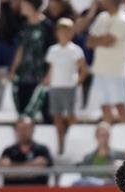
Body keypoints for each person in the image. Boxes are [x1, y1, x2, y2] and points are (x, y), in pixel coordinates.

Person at [85, 0, 125, 123]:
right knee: (105, 107)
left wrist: (99, 40)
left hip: (116, 70)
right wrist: (101, 40)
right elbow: (89, 42)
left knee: (120, 108)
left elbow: (108, 41)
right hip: (100, 69)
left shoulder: (123, 19)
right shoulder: (102, 17)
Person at [43, 17, 88, 152]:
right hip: (55, 87)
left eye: (67, 30)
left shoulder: (76, 50)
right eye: (61, 30)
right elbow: (51, 69)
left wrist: (76, 83)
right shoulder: (52, 50)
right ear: (57, 32)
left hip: (69, 88)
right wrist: (47, 81)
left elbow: (83, 70)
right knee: (57, 118)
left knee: (70, 117)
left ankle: (73, 144)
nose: (64, 33)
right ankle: (61, 145)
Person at [10, 0, 54, 121]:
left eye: (24, 4)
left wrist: (49, 74)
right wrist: (13, 69)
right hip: (24, 76)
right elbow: (21, 49)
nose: (21, 7)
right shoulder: (24, 25)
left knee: (45, 115)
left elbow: (52, 52)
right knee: (24, 115)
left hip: (40, 77)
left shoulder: (47, 26)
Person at [0, 115, 54, 185]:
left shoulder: (42, 150)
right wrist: (33, 166)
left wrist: (13, 167)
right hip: (12, 190)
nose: (23, 132)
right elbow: (5, 172)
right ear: (15, 130)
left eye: (26, 128)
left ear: (33, 130)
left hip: (38, 190)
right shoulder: (8, 151)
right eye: (20, 129)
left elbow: (42, 169)